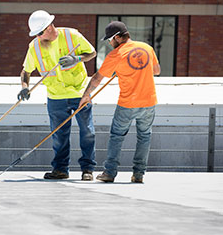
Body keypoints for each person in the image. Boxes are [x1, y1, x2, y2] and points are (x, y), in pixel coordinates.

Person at [18, 10, 97, 181]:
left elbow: (92, 53)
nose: (38, 37)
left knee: (87, 132)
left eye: (40, 32)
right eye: (36, 34)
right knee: (59, 135)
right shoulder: (35, 46)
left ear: (49, 27)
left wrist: (76, 59)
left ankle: (87, 169)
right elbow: (26, 71)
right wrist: (25, 87)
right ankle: (60, 169)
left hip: (80, 93)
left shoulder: (72, 35)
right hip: (55, 96)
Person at [80, 21, 161, 183]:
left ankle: (110, 172)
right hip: (149, 102)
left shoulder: (116, 55)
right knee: (144, 137)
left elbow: (97, 78)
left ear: (117, 37)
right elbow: (156, 71)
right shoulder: (147, 48)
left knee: (117, 136)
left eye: (110, 40)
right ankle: (138, 174)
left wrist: (86, 95)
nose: (110, 43)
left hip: (128, 103)